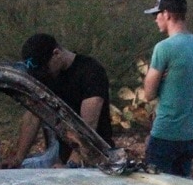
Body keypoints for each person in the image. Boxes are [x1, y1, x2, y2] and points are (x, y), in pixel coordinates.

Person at [7, 33, 115, 167]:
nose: (45, 75)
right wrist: (18, 159)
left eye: (46, 69)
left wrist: (71, 165)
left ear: (56, 53)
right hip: (62, 154)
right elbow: (33, 117)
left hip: (95, 158)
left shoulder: (90, 71)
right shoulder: (47, 77)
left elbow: (88, 125)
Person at [141, 0, 193, 177]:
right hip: (188, 135)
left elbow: (148, 93)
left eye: (157, 14)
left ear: (167, 14)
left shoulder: (164, 47)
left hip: (165, 133)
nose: (155, 20)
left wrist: (158, 77)